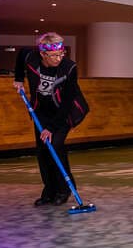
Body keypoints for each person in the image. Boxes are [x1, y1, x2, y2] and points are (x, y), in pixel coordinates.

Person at [14, 32, 86, 207]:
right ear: (43, 54)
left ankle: (64, 190)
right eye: (54, 55)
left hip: (63, 113)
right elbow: (21, 55)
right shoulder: (31, 57)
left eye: (61, 54)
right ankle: (49, 191)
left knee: (55, 146)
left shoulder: (69, 67)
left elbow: (67, 102)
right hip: (41, 111)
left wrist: (51, 128)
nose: (59, 58)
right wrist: (18, 79)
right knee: (43, 152)